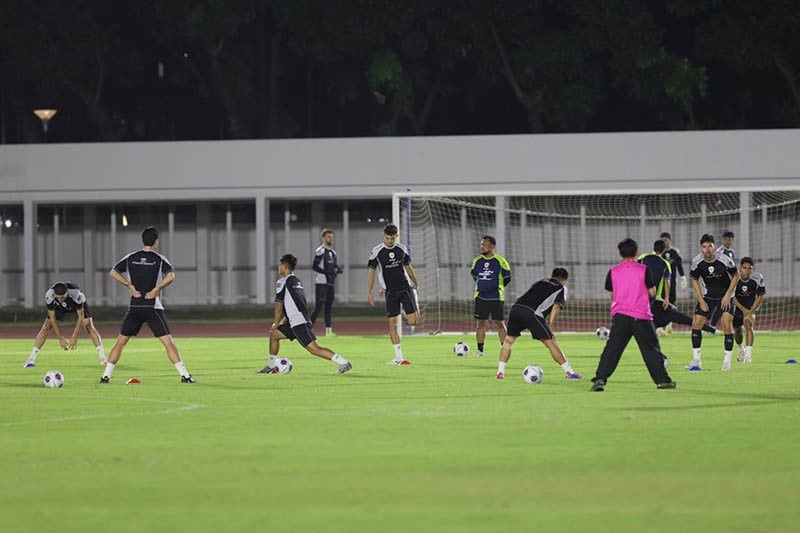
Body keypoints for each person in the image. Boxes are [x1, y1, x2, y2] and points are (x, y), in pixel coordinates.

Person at [100, 226, 195, 384]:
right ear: (156, 242)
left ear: (142, 240)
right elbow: (171, 276)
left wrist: (129, 286)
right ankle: (184, 375)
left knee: (120, 342)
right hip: (152, 307)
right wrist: (157, 289)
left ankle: (106, 376)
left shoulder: (131, 257)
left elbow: (113, 272)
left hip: (135, 307)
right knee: (168, 343)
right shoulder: (159, 259)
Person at [590, 238, 676, 392]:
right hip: (641, 315)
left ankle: (600, 379)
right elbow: (652, 292)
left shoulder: (613, 271)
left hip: (621, 315)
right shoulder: (643, 269)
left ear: (620, 253)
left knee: (612, 349)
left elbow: (612, 293)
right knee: (651, 349)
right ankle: (662, 381)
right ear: (636, 252)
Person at [258, 254, 352, 374]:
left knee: (314, 349)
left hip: (298, 323)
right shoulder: (296, 281)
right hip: (296, 320)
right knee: (274, 335)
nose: (279, 267)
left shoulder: (282, 282)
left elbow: (279, 306)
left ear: (285, 266)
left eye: (280, 264)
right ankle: (271, 366)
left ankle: (343, 362)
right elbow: (296, 303)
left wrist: (276, 323)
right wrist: (284, 321)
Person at [495, 268, 580, 380]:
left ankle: (500, 372)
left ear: (552, 275)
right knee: (551, 342)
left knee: (508, 341)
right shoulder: (561, 288)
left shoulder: (541, 281)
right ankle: (569, 372)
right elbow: (556, 307)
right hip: (532, 313)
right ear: (564, 280)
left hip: (516, 308)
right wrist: (550, 326)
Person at [637, 240, 715, 338]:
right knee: (680, 318)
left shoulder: (642, 258)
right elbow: (667, 283)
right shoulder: (665, 263)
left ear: (653, 247)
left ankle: (655, 330)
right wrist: (666, 298)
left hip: (641, 300)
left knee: (644, 320)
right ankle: (712, 330)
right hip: (656, 301)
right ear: (664, 250)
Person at [367, 223, 420, 365]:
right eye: (387, 238)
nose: (390, 241)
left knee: (413, 322)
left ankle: (410, 308)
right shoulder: (377, 251)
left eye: (392, 238)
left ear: (397, 236)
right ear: (384, 236)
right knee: (392, 324)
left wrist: (416, 283)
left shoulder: (402, 249)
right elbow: (372, 272)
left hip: (405, 289)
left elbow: (408, 268)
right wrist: (370, 292)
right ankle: (398, 357)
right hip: (390, 292)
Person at [685, 234, 739, 372]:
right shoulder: (697, 261)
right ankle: (697, 361)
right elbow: (695, 280)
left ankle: (727, 362)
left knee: (726, 324)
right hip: (708, 297)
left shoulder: (724, 259)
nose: (707, 249)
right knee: (696, 324)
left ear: (714, 246)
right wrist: (701, 300)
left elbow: (736, 275)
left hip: (725, 297)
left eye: (710, 246)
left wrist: (728, 295)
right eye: (704, 246)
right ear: (700, 248)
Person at [22, 281, 107, 367]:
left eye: (62, 297)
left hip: (75, 303)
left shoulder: (76, 293)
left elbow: (80, 316)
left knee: (88, 326)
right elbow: (52, 318)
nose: (60, 299)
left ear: (67, 292)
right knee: (46, 327)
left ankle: (103, 359)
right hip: (59, 306)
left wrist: (74, 337)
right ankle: (31, 359)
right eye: (58, 297)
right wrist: (60, 338)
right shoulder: (49, 295)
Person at [470, 235, 511, 356]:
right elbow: (474, 275)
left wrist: (496, 287)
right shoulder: (477, 260)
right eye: (481, 244)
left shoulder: (500, 261)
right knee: (480, 323)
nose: (482, 246)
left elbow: (507, 278)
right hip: (480, 296)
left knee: (499, 323)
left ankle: (505, 349)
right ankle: (480, 350)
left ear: (492, 246)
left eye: (484, 244)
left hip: (496, 297)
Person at [727, 257, 765, 364]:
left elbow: (760, 296)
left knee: (749, 325)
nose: (747, 271)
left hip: (751, 308)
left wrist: (751, 312)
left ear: (753, 269)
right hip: (737, 308)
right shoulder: (734, 278)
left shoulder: (758, 278)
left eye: (750, 268)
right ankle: (741, 349)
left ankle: (748, 357)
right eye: (744, 268)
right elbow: (732, 297)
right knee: (737, 331)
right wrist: (743, 310)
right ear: (740, 268)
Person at [309, 229, 342, 336]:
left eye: (332, 237)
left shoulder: (333, 252)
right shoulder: (320, 251)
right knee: (318, 306)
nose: (331, 239)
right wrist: (327, 272)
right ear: (323, 238)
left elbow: (334, 266)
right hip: (321, 282)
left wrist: (337, 270)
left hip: (330, 283)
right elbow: (315, 266)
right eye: (328, 237)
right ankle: (308, 328)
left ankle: (329, 331)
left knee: (329, 306)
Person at [660, 232, 687, 306]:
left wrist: (683, 277)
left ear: (670, 241)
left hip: (672, 280)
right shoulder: (659, 252)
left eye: (665, 240)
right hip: (661, 281)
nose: (664, 242)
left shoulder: (675, 251)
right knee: (661, 301)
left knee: (672, 301)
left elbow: (679, 264)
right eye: (662, 241)